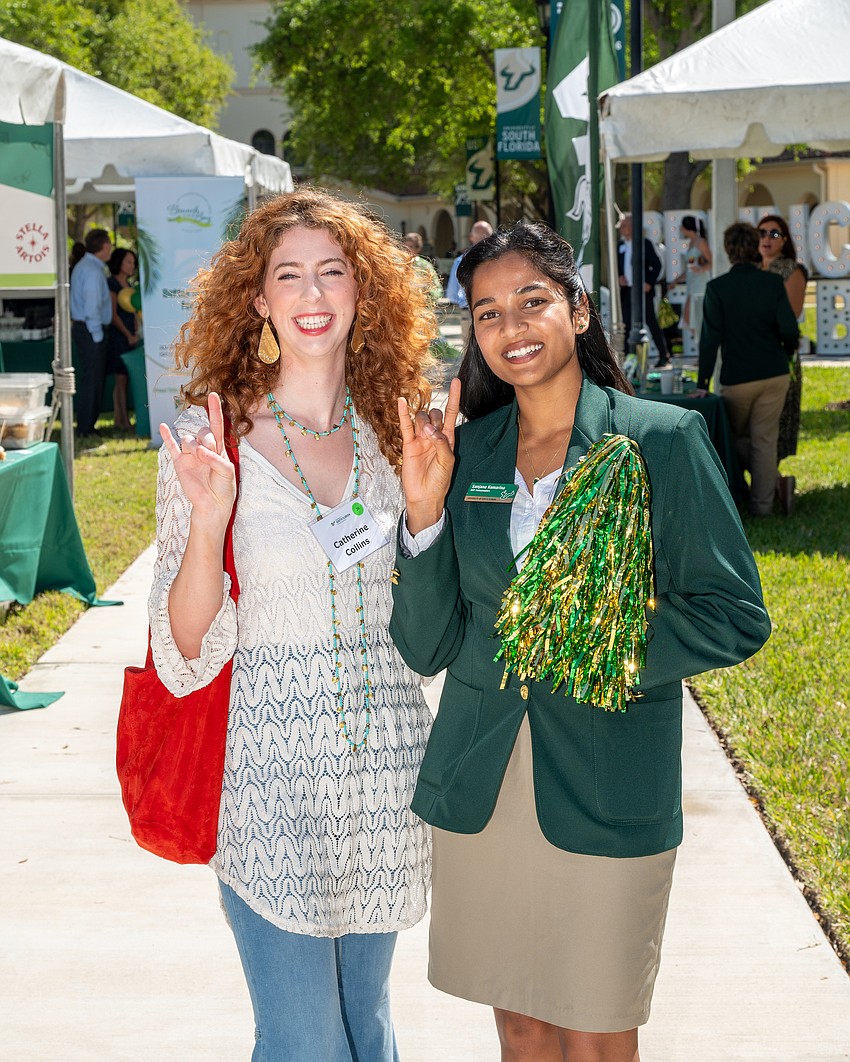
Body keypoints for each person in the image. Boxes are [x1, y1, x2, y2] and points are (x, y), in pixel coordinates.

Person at [391, 221, 771, 1062]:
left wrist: (588, 644)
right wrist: (421, 514)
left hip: (607, 781)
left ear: (580, 309)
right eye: (487, 314)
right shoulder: (468, 452)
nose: (511, 328)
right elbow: (428, 645)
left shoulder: (659, 441)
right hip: (481, 782)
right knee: (521, 1027)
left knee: (597, 1030)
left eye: (532, 302)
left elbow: (732, 613)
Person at [150, 187, 435, 1061]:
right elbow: (186, 650)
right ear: (260, 301)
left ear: (363, 292)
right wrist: (208, 522)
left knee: (370, 1030)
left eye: (332, 274)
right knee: (307, 1041)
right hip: (268, 775)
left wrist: (425, 508)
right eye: (290, 277)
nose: (313, 297)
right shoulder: (216, 440)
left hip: (385, 771)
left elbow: (429, 619)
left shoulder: (399, 433)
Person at [698, 222, 799, 517]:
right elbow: (790, 330)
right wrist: (786, 353)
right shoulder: (772, 283)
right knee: (764, 441)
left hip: (737, 377)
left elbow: (709, 340)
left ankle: (740, 497)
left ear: (728, 251)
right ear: (755, 246)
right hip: (775, 372)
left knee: (734, 438)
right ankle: (763, 505)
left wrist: (703, 381)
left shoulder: (716, 288)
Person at [757, 213, 808, 514]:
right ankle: (774, 485)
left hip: (780, 357)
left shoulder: (792, 270)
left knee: (776, 424)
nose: (766, 238)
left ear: (785, 239)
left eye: (774, 233)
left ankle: (775, 486)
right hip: (751, 356)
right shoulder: (749, 270)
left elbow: (792, 315)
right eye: (761, 232)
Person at [70, 228, 113, 437]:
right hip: (90, 330)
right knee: (93, 380)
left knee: (92, 379)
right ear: (104, 246)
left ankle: (87, 426)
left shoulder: (87, 266)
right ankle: (86, 429)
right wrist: (97, 335)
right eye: (110, 245)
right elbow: (92, 306)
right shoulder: (92, 270)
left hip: (85, 328)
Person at [617, 213, 670, 367]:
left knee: (651, 322)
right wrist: (620, 277)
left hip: (643, 291)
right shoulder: (620, 245)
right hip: (627, 290)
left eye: (626, 225)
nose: (622, 229)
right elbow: (617, 266)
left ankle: (664, 355)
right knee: (626, 323)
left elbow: (657, 264)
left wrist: (649, 282)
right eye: (621, 226)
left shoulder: (644, 243)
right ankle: (628, 358)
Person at [445, 219, 494, 344]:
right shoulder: (499, 262)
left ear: (471, 237)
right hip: (494, 313)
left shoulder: (460, 262)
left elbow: (451, 294)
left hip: (467, 312)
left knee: (469, 353)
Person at [106, 248, 137, 432]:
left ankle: (120, 418)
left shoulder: (130, 284)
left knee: (124, 380)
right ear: (119, 263)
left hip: (131, 335)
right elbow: (114, 315)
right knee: (121, 379)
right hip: (119, 336)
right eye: (128, 262)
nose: (131, 265)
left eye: (133, 262)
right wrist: (128, 334)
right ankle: (123, 420)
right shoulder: (112, 284)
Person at [674, 215, 712, 341]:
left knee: (695, 317)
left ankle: (701, 348)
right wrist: (676, 280)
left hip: (700, 283)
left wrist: (701, 269)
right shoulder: (691, 243)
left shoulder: (701, 242)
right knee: (688, 318)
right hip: (692, 283)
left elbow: (711, 261)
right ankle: (700, 346)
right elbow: (689, 269)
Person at [403, 231, 443, 305]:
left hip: (421, 307)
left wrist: (425, 290)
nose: (407, 249)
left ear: (418, 248)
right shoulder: (398, 264)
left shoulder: (425, 265)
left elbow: (437, 288)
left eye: (411, 247)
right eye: (405, 246)